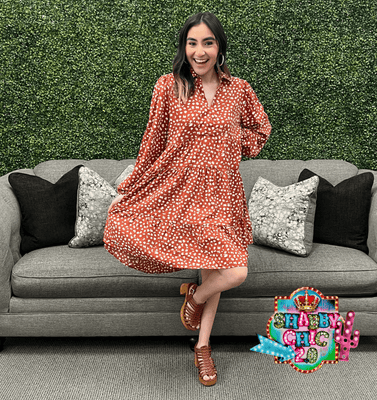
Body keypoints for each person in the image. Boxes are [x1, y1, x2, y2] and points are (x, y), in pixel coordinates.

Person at [103, 11, 271, 387]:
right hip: (180, 191)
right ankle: (203, 344)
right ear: (184, 47)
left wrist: (232, 140)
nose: (200, 51)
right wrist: (128, 191)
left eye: (208, 42)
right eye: (192, 43)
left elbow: (260, 130)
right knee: (220, 269)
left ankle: (197, 313)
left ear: (219, 48)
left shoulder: (238, 90)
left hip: (223, 194)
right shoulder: (169, 86)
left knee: (231, 270)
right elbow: (152, 143)